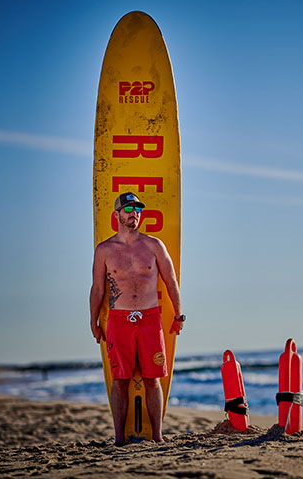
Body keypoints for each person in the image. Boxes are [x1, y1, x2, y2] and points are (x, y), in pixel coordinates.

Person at [89, 191, 184, 445]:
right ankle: (119, 438)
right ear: (117, 214)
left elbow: (171, 280)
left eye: (137, 210)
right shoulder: (105, 250)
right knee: (120, 379)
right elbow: (98, 288)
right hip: (119, 320)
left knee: (153, 378)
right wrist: (93, 321)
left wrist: (179, 313)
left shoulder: (154, 245)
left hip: (150, 318)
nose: (134, 214)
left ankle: (158, 437)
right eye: (129, 209)